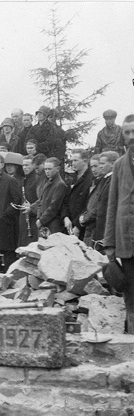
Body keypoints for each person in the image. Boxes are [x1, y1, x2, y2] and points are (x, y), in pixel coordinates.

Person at [104, 114, 134, 333]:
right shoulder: (119, 165)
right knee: (131, 298)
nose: (131, 136)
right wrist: (109, 243)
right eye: (127, 132)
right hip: (127, 243)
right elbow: (112, 205)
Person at [0, 154, 22, 272]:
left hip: (5, 222)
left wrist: (6, 214)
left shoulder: (10, 180)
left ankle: (9, 274)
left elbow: (17, 199)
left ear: (2, 165)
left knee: (7, 250)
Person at [62, 149, 94, 239]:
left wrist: (78, 225)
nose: (73, 163)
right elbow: (66, 200)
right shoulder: (73, 179)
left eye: (75, 160)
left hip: (82, 228)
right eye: (72, 161)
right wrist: (65, 217)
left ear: (85, 161)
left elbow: (89, 206)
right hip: (69, 225)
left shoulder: (91, 180)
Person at [93, 151, 118, 251]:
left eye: (103, 163)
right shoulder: (106, 179)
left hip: (107, 231)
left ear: (113, 164)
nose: (100, 166)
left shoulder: (114, 180)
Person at [35, 158, 68, 234]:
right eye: (45, 169)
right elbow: (41, 202)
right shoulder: (48, 182)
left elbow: (54, 207)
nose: (47, 171)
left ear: (57, 169)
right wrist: (38, 218)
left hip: (53, 225)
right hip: (43, 223)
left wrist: (41, 220)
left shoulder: (60, 184)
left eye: (49, 169)